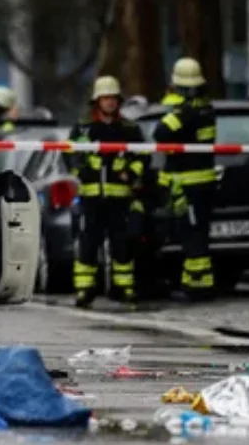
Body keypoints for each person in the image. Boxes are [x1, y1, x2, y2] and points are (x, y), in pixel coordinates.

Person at [66, 76, 147, 309]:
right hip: (91, 198)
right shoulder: (83, 127)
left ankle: (125, 287)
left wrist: (130, 173)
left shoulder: (129, 129)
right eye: (105, 98)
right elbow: (69, 153)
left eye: (113, 98)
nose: (110, 102)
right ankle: (84, 289)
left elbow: (143, 156)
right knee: (88, 244)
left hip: (120, 198)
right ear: (97, 101)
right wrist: (81, 170)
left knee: (122, 244)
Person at [153, 57, 218, 300]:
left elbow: (160, 132)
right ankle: (193, 281)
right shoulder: (207, 110)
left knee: (193, 236)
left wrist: (173, 108)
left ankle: (199, 286)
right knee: (197, 232)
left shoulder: (186, 113)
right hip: (203, 183)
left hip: (190, 184)